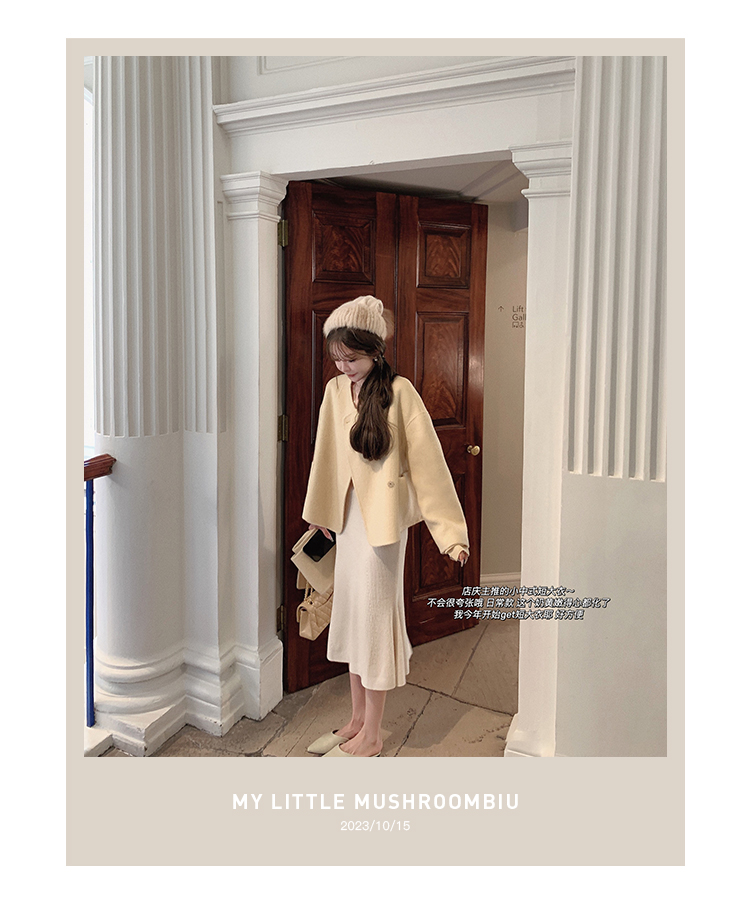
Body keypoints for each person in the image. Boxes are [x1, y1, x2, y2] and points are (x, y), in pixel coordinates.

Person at [302, 295, 470, 758]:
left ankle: (373, 735)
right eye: (337, 359)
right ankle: (356, 721)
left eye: (352, 359)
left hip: (381, 529)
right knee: (352, 619)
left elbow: (430, 466)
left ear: (375, 351)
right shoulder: (336, 391)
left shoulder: (400, 392)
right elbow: (325, 454)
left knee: (374, 626)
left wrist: (451, 535)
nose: (344, 368)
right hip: (347, 522)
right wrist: (320, 512)